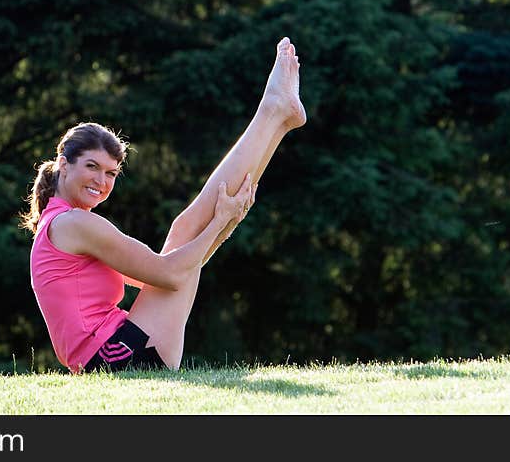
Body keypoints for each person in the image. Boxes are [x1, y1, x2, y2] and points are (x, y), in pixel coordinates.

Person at [21, 37, 306, 373]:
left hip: (116, 352)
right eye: (92, 167)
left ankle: (277, 120)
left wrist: (226, 224)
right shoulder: (72, 224)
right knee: (183, 230)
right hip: (116, 359)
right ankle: (272, 114)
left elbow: (174, 273)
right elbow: (170, 275)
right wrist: (219, 223)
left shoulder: (65, 226)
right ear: (64, 164)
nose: (102, 181)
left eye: (111, 173)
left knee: (183, 233)